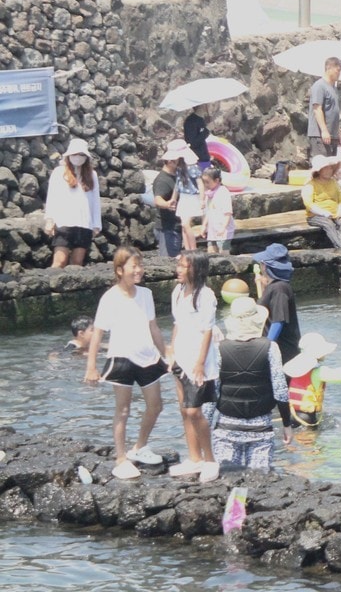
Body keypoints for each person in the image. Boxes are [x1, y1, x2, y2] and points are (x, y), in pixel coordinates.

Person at [84, 246, 168, 480]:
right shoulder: (110, 297)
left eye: (141, 266)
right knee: (123, 410)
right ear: (120, 270)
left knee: (156, 405)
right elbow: (98, 334)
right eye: (134, 266)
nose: (139, 270)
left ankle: (139, 447)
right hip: (121, 358)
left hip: (148, 357)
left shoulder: (146, 294)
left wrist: (166, 353)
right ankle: (121, 458)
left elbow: (154, 327)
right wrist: (91, 366)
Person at [213, 297, 293, 471]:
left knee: (228, 481)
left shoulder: (219, 348)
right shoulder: (270, 347)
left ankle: (235, 499)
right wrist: (287, 424)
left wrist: (204, 426)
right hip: (261, 428)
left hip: (226, 427)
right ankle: (247, 497)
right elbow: (280, 390)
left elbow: (213, 392)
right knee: (258, 483)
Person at [166, 250, 219, 481]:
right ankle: (194, 458)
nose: (178, 269)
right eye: (178, 265)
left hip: (200, 360)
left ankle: (210, 460)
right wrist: (170, 350)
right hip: (180, 358)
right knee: (183, 410)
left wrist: (199, 363)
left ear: (196, 269)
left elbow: (207, 330)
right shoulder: (177, 291)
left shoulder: (206, 295)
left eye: (184, 266)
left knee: (194, 411)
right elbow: (177, 324)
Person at [283, 332, 341, 428]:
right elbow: (340, 378)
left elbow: (334, 373)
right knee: (311, 443)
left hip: (293, 415)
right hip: (308, 419)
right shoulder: (318, 372)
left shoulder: (298, 367)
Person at [43, 138, 102, 268]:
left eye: (82, 155)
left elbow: (95, 200)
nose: (78, 157)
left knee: (77, 263)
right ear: (69, 155)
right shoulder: (59, 173)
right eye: (75, 154)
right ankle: (53, 286)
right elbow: (52, 197)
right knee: (60, 261)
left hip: (84, 223)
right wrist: (49, 220)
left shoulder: (92, 175)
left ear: (86, 157)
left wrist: (96, 224)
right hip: (64, 222)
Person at [252, 243, 302, 364]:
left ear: (264, 266)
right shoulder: (274, 287)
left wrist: (267, 348)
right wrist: (265, 288)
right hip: (276, 349)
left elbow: (278, 321)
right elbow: (266, 312)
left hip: (282, 352)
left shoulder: (279, 289)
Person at [152, 140, 196, 257]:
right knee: (168, 264)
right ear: (171, 161)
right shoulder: (163, 180)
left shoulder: (178, 175)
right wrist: (167, 204)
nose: (183, 163)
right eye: (181, 160)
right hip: (168, 229)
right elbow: (157, 200)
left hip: (176, 228)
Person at [302, 155, 341, 248]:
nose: (330, 170)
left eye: (330, 168)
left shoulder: (334, 182)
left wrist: (340, 210)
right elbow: (308, 204)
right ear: (319, 171)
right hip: (316, 216)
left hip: (335, 214)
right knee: (328, 224)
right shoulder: (310, 185)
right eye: (326, 168)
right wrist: (323, 213)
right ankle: (340, 245)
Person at [308, 56, 341, 158]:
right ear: (329, 68)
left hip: (332, 134)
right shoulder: (319, 86)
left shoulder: (333, 88)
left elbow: (334, 111)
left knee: (332, 167)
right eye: (338, 70)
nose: (339, 73)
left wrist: (338, 132)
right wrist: (324, 130)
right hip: (320, 134)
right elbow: (317, 109)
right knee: (323, 167)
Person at [201, 168, 235, 253]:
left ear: (217, 180)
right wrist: (204, 225)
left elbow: (228, 212)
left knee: (224, 253)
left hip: (224, 230)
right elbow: (208, 211)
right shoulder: (209, 193)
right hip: (212, 229)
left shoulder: (223, 192)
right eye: (204, 182)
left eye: (207, 182)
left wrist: (223, 227)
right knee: (211, 252)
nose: (205, 184)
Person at [183, 105, 212, 171]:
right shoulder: (190, 121)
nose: (209, 105)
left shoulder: (201, 119)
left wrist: (207, 130)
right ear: (202, 106)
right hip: (197, 159)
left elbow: (202, 137)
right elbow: (193, 143)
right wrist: (207, 130)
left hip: (204, 157)